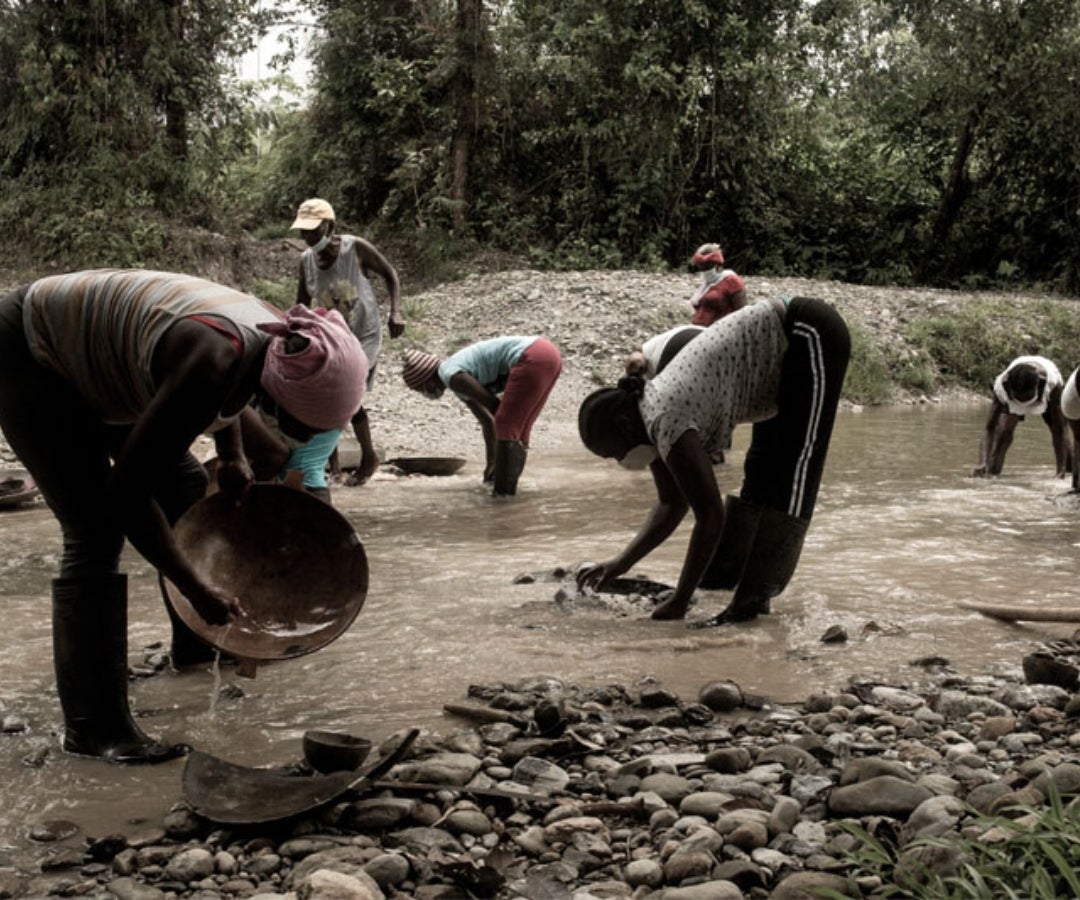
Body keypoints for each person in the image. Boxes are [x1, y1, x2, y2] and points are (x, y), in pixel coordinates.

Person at [0, 270, 366, 764]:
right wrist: (195, 586)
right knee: (94, 527)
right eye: (293, 427)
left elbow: (230, 392)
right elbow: (127, 494)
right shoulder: (216, 360)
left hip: (108, 367)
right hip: (30, 352)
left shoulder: (275, 344)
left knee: (184, 484)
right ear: (275, 396)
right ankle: (94, 728)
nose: (292, 438)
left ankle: (193, 646)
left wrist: (233, 454)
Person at [576, 297, 850, 624]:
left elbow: (710, 514)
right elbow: (671, 504)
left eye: (613, 453)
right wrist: (620, 563)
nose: (620, 461)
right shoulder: (650, 418)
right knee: (760, 473)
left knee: (795, 469)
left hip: (807, 332)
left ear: (623, 425)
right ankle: (722, 585)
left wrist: (680, 599)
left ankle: (752, 602)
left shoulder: (664, 417)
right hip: (778, 360)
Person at [292, 198, 404, 486]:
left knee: (347, 393)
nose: (307, 238)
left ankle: (368, 457)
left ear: (330, 226)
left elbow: (390, 274)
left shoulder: (355, 249)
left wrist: (396, 311)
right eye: (303, 232)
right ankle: (334, 465)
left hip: (364, 334)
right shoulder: (306, 262)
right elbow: (302, 305)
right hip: (334, 338)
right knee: (328, 393)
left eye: (313, 231)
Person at [401, 336, 563, 495]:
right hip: (548, 354)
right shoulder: (454, 374)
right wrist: (491, 463)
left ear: (426, 380)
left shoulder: (452, 376)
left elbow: (495, 408)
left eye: (420, 389)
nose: (425, 394)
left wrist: (497, 463)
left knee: (507, 423)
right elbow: (487, 421)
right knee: (520, 428)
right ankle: (509, 488)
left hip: (531, 356)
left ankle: (503, 497)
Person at [972, 355, 1070, 480]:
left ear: (1038, 385)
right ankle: (991, 472)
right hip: (1015, 396)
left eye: (1027, 397)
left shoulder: (1053, 384)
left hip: (1046, 397)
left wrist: (1060, 472)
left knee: (1062, 440)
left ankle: (1068, 470)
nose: (1023, 403)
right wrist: (982, 462)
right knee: (1002, 434)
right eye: (1019, 398)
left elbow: (1060, 431)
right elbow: (989, 428)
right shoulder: (1001, 386)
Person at [688, 243, 747, 326]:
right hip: (701, 332)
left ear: (716, 264)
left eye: (707, 266)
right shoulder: (706, 286)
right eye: (701, 267)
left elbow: (743, 313)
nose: (704, 270)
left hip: (722, 332)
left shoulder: (731, 280)